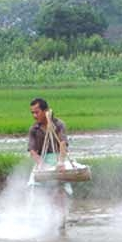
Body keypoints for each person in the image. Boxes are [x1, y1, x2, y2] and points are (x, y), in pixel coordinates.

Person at [28, 98, 72, 228]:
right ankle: (47, 220)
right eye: (32, 113)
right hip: (43, 161)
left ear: (45, 111)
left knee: (60, 190)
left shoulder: (58, 124)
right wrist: (42, 164)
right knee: (41, 191)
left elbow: (63, 143)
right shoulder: (34, 129)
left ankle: (61, 222)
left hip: (58, 159)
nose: (35, 116)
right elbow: (32, 151)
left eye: (37, 112)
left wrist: (61, 162)